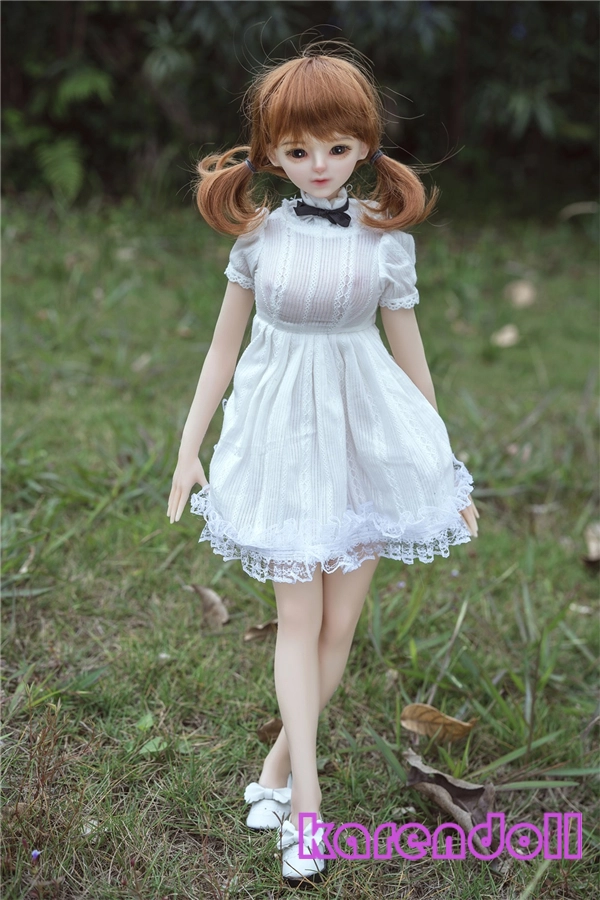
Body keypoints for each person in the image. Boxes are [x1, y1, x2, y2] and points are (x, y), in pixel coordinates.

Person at [167, 47, 479, 886]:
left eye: (337, 148)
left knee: (340, 626)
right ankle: (307, 805)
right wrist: (190, 446)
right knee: (298, 620)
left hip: (366, 437)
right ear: (270, 153)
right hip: (280, 440)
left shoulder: (384, 242)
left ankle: (275, 767)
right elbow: (222, 349)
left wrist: (442, 466)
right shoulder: (259, 236)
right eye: (299, 150)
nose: (319, 165)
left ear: (365, 147)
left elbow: (411, 362)